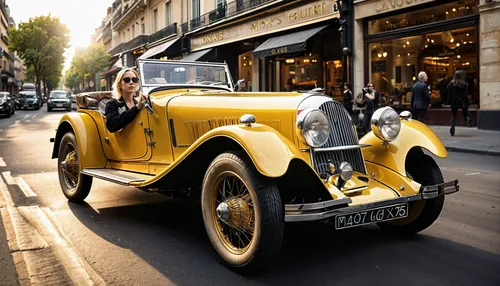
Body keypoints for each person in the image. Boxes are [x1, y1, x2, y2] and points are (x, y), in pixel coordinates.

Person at [105, 68, 149, 133]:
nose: (131, 82)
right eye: (127, 80)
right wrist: (136, 108)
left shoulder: (139, 103)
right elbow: (111, 126)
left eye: (134, 80)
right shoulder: (112, 104)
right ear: (119, 84)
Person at [446, 70, 472, 136]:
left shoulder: (451, 83)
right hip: (462, 101)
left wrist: (448, 101)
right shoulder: (465, 84)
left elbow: (447, 91)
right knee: (465, 111)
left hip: (454, 102)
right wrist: (467, 103)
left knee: (453, 115)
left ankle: (452, 129)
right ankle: (468, 119)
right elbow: (466, 95)